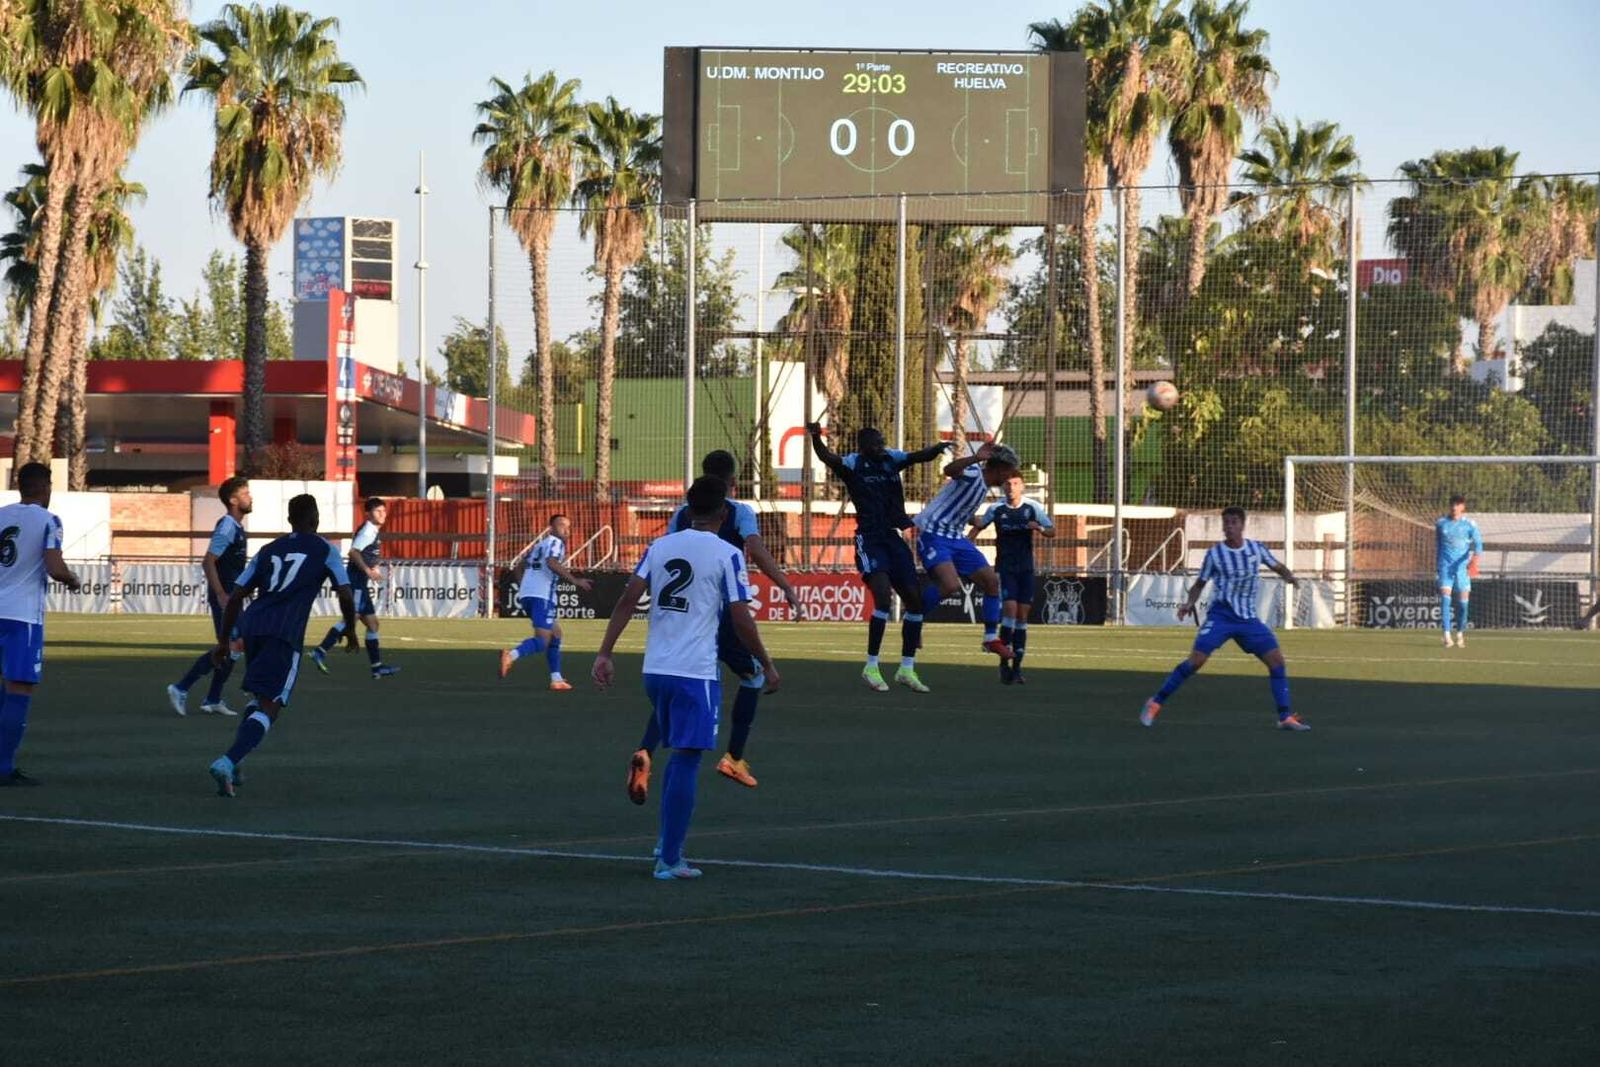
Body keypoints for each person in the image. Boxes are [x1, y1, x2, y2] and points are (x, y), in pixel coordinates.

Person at [594, 475, 779, 880]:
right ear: (724, 511)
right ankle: (669, 858)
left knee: (677, 754)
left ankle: (666, 843)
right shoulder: (728, 553)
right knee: (686, 759)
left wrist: (605, 653)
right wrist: (765, 662)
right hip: (695, 672)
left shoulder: (659, 546)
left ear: (687, 508)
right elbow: (740, 617)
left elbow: (627, 600)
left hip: (655, 669)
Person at [628, 450, 797, 797]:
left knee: (677, 685)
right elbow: (756, 550)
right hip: (721, 612)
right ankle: (734, 757)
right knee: (754, 676)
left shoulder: (683, 513)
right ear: (733, 481)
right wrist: (785, 584)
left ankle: (646, 749)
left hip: (683, 616)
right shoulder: (739, 512)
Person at [207, 494, 358, 797]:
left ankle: (236, 762)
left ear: (290, 520)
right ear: (316, 519)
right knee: (271, 706)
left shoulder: (268, 550)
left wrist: (223, 642)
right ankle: (227, 761)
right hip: (284, 633)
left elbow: (236, 596)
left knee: (259, 699)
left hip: (253, 627)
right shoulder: (325, 549)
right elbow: (344, 592)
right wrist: (351, 629)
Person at [806, 422, 949, 692]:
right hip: (869, 539)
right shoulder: (852, 464)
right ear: (863, 447)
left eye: (882, 442)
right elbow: (827, 457)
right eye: (875, 444)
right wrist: (815, 437)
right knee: (882, 596)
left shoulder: (891, 459)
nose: (880, 447)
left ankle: (907, 668)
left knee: (915, 602)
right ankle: (871, 666)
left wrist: (937, 449)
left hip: (893, 537)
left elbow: (918, 457)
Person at [1139, 506, 1310, 732]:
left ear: (1242, 525)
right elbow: (1199, 584)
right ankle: (1155, 702)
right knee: (1196, 660)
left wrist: (1290, 577)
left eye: (1233, 522)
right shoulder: (1215, 554)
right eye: (1226, 523)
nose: (1229, 527)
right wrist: (1189, 603)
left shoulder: (1256, 549)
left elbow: (1276, 566)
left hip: (1248, 619)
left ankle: (1285, 717)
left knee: (1277, 662)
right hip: (1221, 616)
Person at [0, 462, 82, 786]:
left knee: (5, 690)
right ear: (46, 488)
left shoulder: (1, 515)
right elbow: (55, 567)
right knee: (19, 688)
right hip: (22, 618)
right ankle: (4, 768)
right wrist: (72, 579)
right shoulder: (49, 520)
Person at [914, 441, 1021, 664]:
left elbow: (958, 504)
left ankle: (990, 639)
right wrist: (976, 457)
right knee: (950, 585)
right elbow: (949, 470)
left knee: (991, 582)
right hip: (933, 533)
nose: (1009, 478)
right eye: (1008, 472)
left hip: (955, 537)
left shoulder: (984, 487)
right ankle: (914, 617)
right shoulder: (973, 473)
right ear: (999, 469)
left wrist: (974, 520)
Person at [166, 476, 251, 716]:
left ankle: (212, 699)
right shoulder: (227, 526)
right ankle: (181, 687)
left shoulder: (236, 527)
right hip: (225, 598)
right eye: (245, 493)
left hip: (233, 597)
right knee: (231, 645)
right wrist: (221, 594)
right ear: (233, 500)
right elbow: (208, 562)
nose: (250, 497)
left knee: (237, 645)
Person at [971, 474, 1056, 685]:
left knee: (1022, 616)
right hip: (1005, 568)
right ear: (1003, 487)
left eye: (1015, 483)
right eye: (1007, 483)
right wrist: (965, 545)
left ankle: (1016, 669)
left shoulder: (1032, 507)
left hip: (1026, 568)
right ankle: (1004, 664)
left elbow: (1052, 531)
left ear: (1022, 487)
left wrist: (1039, 528)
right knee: (1010, 610)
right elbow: (979, 526)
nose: (1011, 487)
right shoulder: (996, 509)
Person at [499, 513, 593, 691]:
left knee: (556, 634)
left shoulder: (540, 545)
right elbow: (551, 562)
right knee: (543, 640)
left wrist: (524, 587)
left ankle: (556, 679)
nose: (566, 530)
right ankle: (511, 655)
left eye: (568, 526)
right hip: (542, 596)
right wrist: (575, 580)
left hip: (528, 595)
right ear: (551, 528)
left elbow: (519, 567)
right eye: (561, 525)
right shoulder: (555, 543)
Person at [312, 496, 399, 678]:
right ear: (368, 514)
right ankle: (320, 651)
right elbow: (353, 552)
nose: (382, 514)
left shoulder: (371, 530)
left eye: (384, 511)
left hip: (361, 583)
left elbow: (366, 553)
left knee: (373, 624)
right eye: (378, 511)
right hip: (356, 581)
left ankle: (377, 667)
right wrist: (367, 570)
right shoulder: (368, 530)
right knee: (351, 618)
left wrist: (373, 566)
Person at [1435, 494, 1483, 648]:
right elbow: (1438, 546)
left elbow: (1479, 544)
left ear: (1463, 507)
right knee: (1445, 599)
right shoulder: (1441, 523)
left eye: (1457, 504)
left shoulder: (1469, 525)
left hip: (1462, 569)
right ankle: (1446, 635)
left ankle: (1460, 633)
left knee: (1463, 605)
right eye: (1452, 504)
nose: (1454, 507)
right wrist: (1438, 566)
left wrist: (1475, 560)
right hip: (1445, 567)